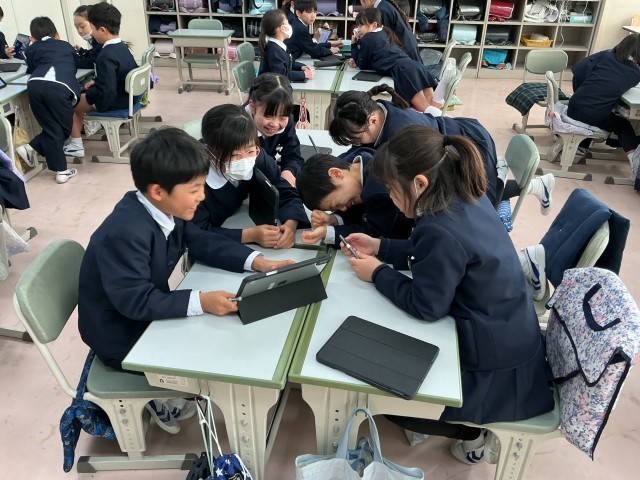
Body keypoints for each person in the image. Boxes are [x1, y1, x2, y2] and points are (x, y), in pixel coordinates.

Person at [341, 125, 554, 465]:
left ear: (419, 183)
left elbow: (425, 306)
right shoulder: (464, 196)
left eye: (393, 190)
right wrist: (381, 247)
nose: (391, 199)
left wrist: (377, 273)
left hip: (494, 367)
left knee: (391, 402)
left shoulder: (439, 227)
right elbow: (430, 253)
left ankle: (472, 433)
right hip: (512, 335)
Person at [78, 127, 293, 433]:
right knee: (221, 357)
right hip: (121, 334)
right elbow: (136, 301)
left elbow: (200, 240)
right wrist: (201, 301)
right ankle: (163, 396)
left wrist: (256, 261)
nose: (202, 197)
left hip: (144, 312)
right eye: (194, 190)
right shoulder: (125, 233)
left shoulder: (163, 208)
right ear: (158, 191)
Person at [330, 87, 556, 213]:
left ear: (372, 120)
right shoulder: (379, 112)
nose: (357, 144)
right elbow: (359, 151)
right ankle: (536, 185)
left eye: (357, 138)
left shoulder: (400, 134)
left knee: (472, 201)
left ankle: (508, 179)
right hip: (452, 135)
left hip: (469, 143)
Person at [192, 104, 308, 249]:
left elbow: (283, 189)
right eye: (234, 155)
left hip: (239, 220)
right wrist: (248, 235)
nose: (244, 160)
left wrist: (291, 224)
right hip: (216, 245)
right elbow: (196, 232)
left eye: (250, 151)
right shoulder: (192, 179)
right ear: (210, 151)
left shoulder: (256, 155)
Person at [63, 2, 138, 158]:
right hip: (129, 97)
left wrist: (94, 101)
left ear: (102, 30)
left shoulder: (105, 56)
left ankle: (76, 146)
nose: (92, 34)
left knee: (71, 104)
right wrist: (97, 82)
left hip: (115, 101)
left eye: (92, 28)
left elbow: (108, 91)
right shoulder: (122, 47)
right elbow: (120, 74)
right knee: (84, 93)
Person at [297, 150, 413, 248]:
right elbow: (361, 212)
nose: (343, 209)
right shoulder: (358, 160)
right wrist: (333, 219)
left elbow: (373, 234)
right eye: (335, 209)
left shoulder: (378, 189)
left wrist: (328, 233)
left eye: (336, 204)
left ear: (336, 174)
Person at [14, 17, 79, 184]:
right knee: (63, 129)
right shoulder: (65, 45)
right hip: (59, 87)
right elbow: (74, 65)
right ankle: (34, 150)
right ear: (56, 34)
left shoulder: (30, 50)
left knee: (51, 127)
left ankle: (35, 152)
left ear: (32, 38)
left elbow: (32, 68)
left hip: (34, 86)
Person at [566, 34, 640, 177]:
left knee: (602, 112)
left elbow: (578, 70)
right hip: (592, 114)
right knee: (623, 125)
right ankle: (636, 167)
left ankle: (582, 145)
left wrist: (585, 88)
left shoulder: (606, 55)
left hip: (574, 106)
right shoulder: (636, 73)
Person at [350, 8, 439, 112]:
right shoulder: (385, 31)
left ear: (373, 25)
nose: (358, 29)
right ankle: (439, 119)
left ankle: (436, 120)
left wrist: (353, 45)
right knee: (431, 104)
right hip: (415, 66)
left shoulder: (367, 39)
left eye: (361, 26)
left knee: (424, 109)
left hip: (403, 72)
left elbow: (362, 64)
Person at [246, 73, 305, 187]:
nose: (275, 124)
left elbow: (293, 154)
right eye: (268, 116)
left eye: (282, 117)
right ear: (252, 107)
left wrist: (289, 171)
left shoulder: (287, 120)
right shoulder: (237, 128)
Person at [258, 8, 315, 83]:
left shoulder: (279, 45)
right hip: (268, 88)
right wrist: (304, 74)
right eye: (287, 23)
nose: (289, 25)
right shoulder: (274, 50)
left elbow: (289, 63)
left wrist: (302, 67)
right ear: (283, 28)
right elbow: (281, 75)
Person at [72, 4, 102, 69]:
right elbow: (93, 54)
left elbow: (90, 63)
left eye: (82, 26)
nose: (79, 31)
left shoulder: (100, 41)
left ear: (93, 23)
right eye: (76, 27)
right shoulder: (94, 40)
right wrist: (81, 50)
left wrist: (71, 59)